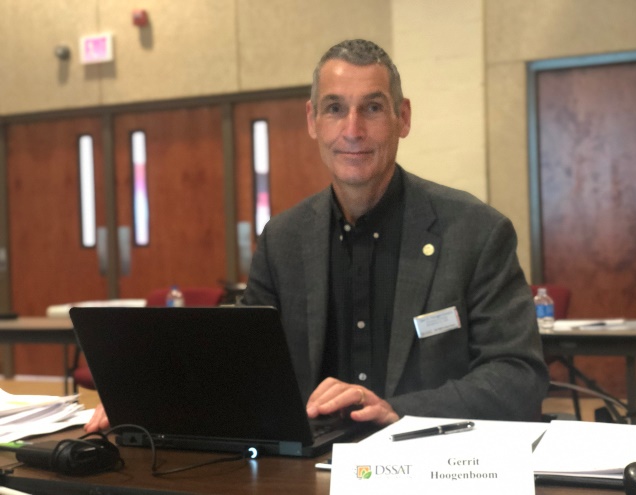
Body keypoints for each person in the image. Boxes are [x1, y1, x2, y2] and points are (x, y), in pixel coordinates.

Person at [86, 39, 548, 433]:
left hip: (429, 465)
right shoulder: (283, 239)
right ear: (312, 120)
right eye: (334, 109)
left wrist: (398, 410)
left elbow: (518, 377)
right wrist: (148, 397)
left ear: (403, 118)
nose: (352, 130)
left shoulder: (475, 232)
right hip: (307, 472)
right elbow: (241, 362)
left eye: (372, 108)